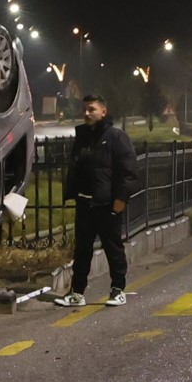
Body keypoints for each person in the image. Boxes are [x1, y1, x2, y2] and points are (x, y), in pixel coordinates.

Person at [56, 95, 143, 306]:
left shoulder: (116, 137)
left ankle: (117, 290)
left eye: (92, 109)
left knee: (113, 248)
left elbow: (128, 172)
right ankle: (77, 293)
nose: (86, 113)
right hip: (85, 204)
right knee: (82, 251)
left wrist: (121, 199)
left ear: (103, 112)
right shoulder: (83, 137)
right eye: (84, 109)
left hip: (107, 205)